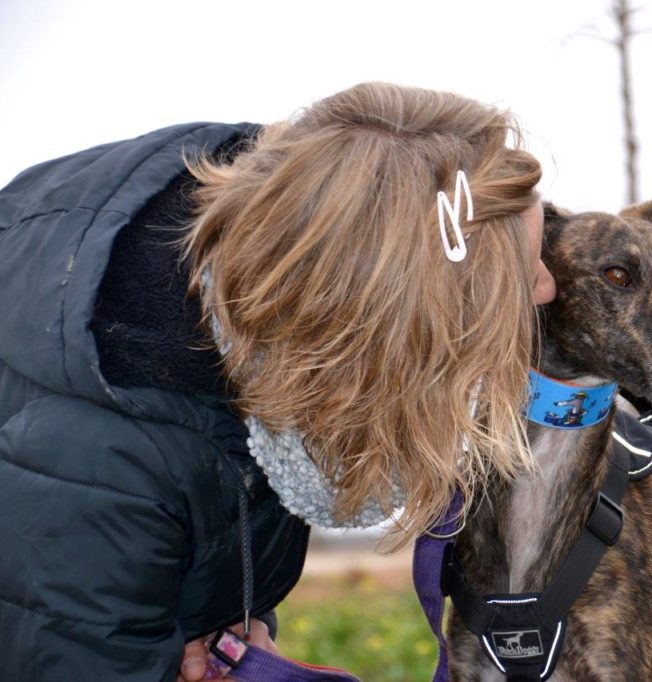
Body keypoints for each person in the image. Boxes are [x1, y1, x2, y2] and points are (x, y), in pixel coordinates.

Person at [0, 82, 556, 681]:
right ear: (393, 328)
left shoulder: (288, 336)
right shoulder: (99, 465)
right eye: (522, 275)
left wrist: (225, 629)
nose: (547, 288)